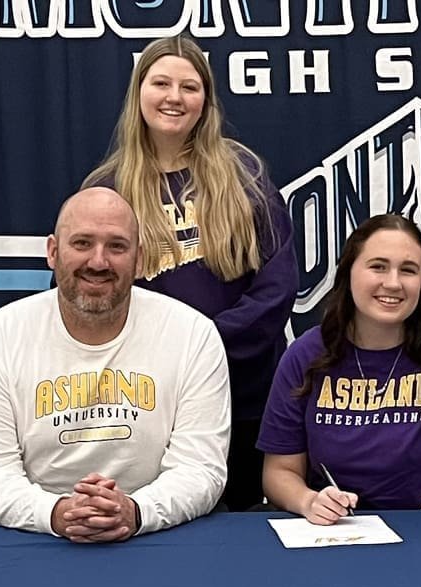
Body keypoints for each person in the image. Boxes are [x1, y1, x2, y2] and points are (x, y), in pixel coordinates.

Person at [83, 35, 297, 511]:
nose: (174, 97)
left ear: (206, 100)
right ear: (139, 92)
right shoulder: (107, 189)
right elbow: (86, 292)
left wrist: (200, 346)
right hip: (145, 400)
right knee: (153, 518)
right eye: (161, 83)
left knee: (239, 526)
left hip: (241, 394)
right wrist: (162, 357)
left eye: (189, 86)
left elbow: (276, 286)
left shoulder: (244, 176)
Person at [0, 187, 230, 541]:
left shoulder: (193, 335)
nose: (98, 262)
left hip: (158, 537)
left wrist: (135, 511)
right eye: (82, 243)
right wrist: (58, 514)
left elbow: (200, 468)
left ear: (140, 259)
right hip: (33, 539)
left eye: (116, 246)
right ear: (53, 252)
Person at [258, 214, 421, 524]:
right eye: (378, 267)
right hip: (331, 531)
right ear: (348, 271)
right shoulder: (304, 355)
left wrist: (411, 545)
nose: (393, 283)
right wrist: (308, 501)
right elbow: (279, 471)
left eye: (408, 270)